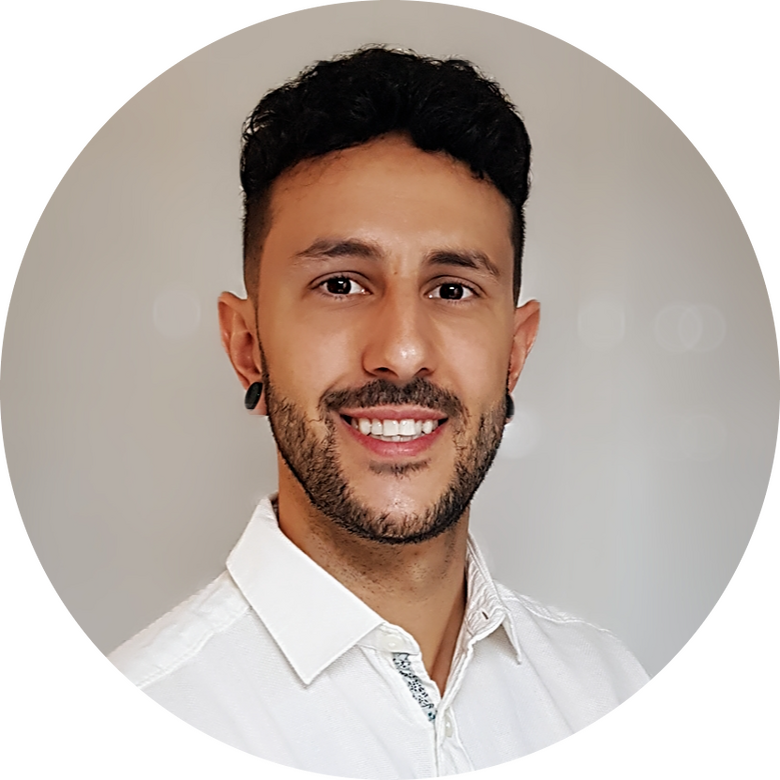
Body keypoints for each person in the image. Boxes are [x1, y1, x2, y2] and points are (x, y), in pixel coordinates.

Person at [106, 45, 651, 775]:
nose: (401, 352)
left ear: (515, 352)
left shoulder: (606, 689)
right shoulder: (164, 698)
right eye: (341, 284)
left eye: (452, 289)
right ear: (247, 345)